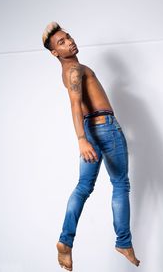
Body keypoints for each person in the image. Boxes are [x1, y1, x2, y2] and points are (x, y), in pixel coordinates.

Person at [42, 22, 140, 271]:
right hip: (103, 126)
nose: (69, 42)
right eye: (61, 42)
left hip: (91, 127)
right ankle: (123, 241)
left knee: (84, 187)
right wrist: (81, 140)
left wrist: (85, 136)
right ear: (54, 53)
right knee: (120, 184)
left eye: (68, 37)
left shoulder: (70, 70)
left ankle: (65, 241)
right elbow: (75, 104)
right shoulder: (75, 69)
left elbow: (79, 106)